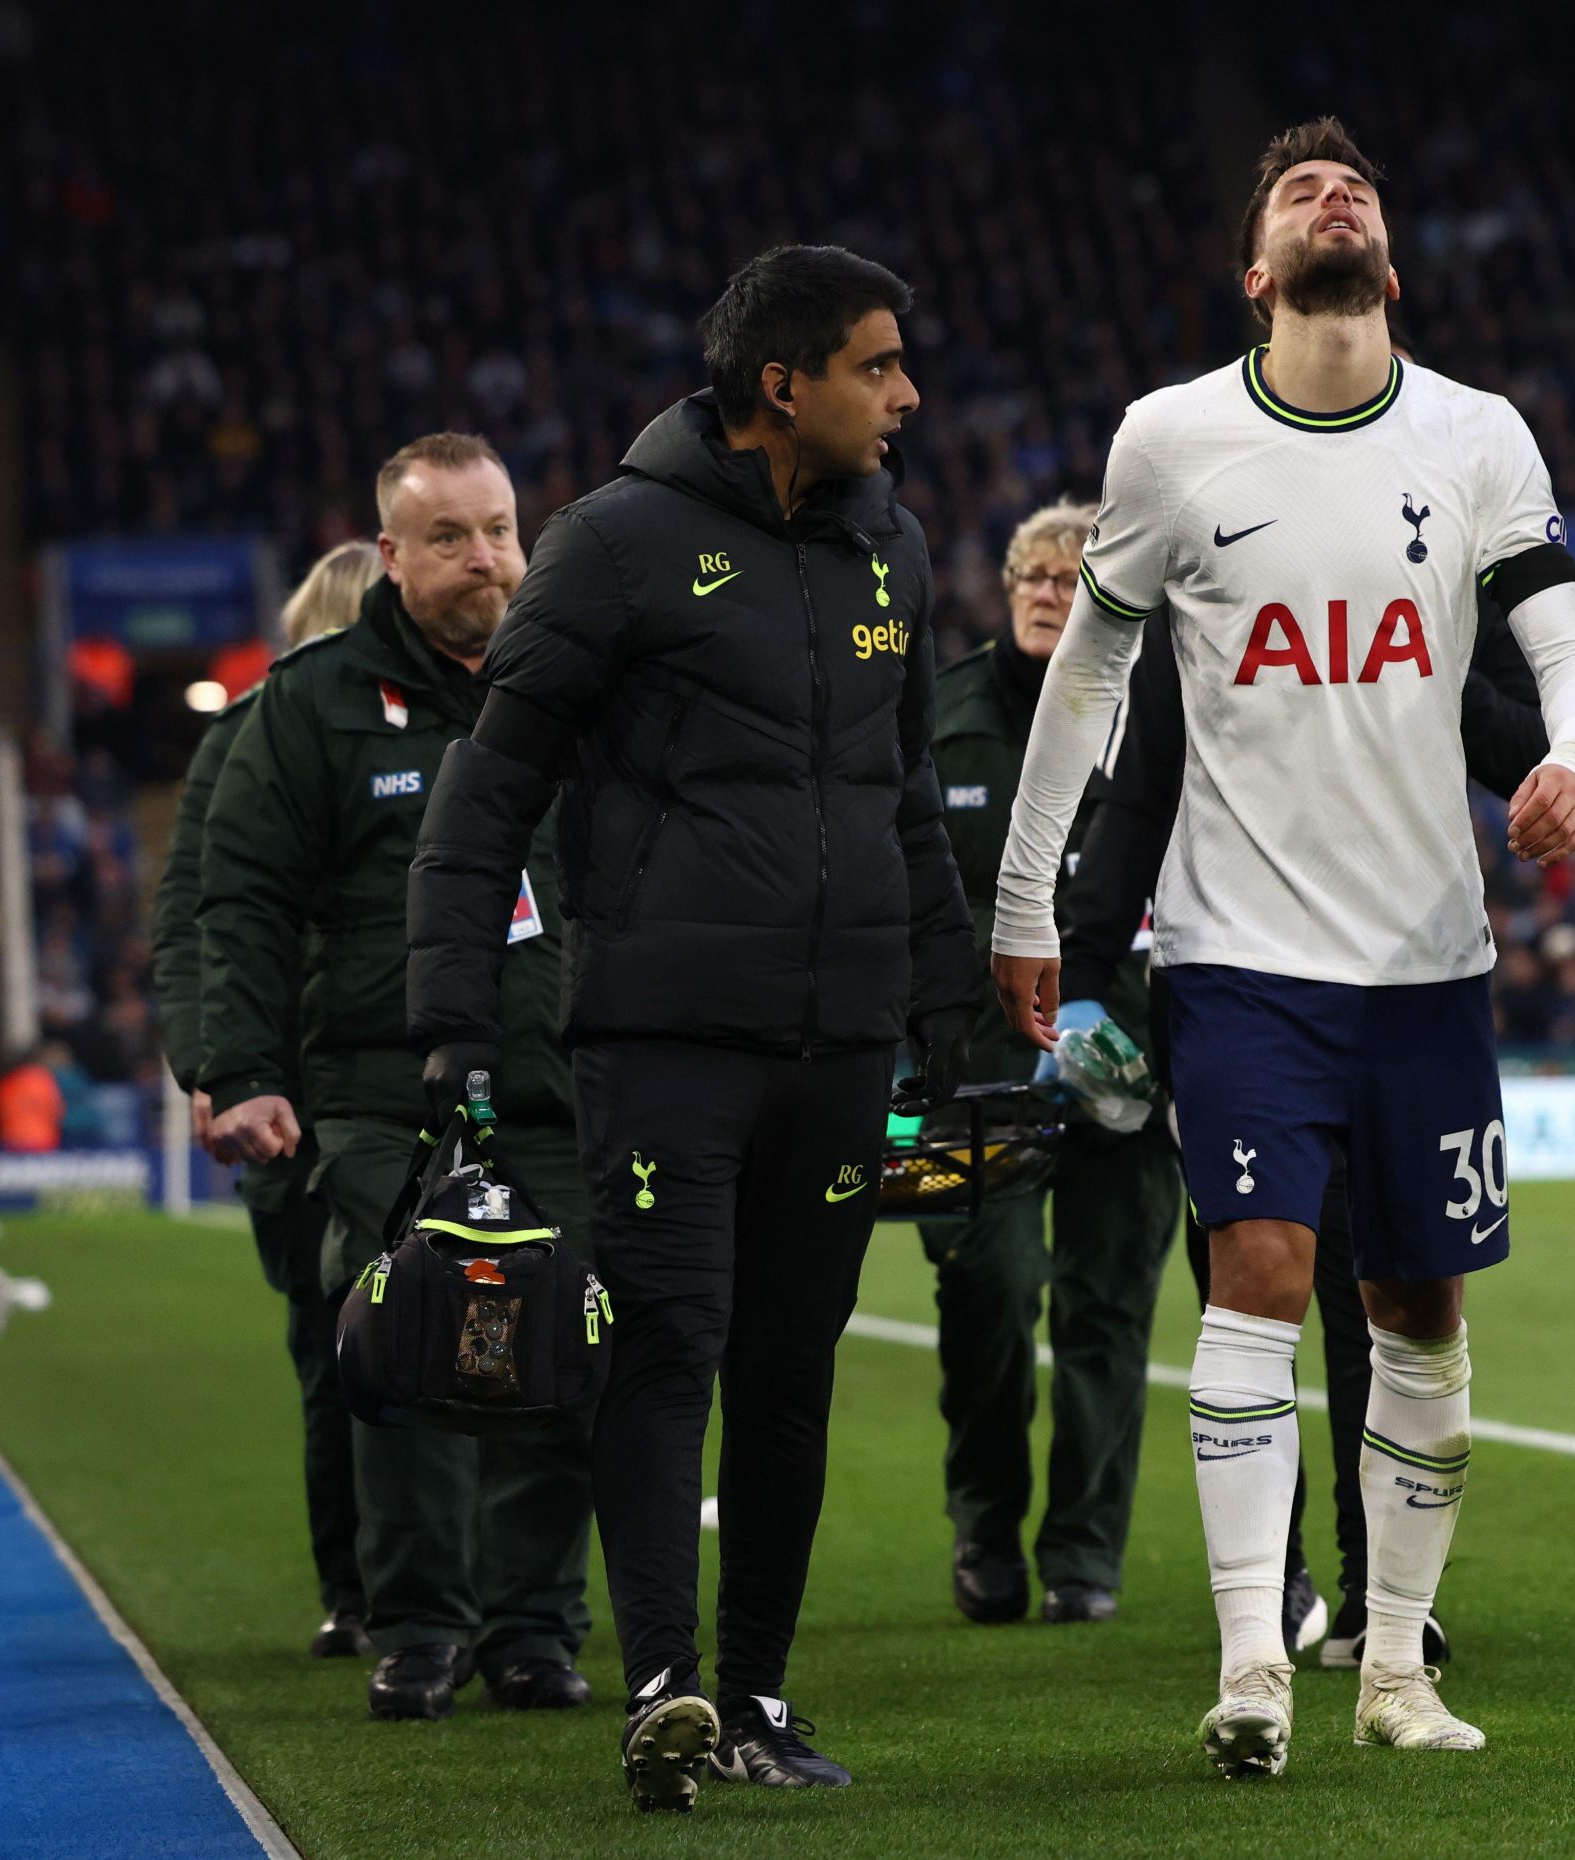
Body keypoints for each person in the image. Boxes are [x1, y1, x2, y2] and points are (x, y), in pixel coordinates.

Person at [991, 119, 1575, 1777]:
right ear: (1258, 271)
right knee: (1258, 1276)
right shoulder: (1171, 441)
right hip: (1240, 954)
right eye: (1298, 194)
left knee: (1421, 1322)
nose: (1332, 200)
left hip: (1429, 961)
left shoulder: (1479, 437)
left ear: (1390, 264)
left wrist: (1571, 753)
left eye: (1356, 190)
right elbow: (1088, 689)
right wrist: (1026, 901)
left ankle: (1396, 1668)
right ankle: (1252, 1657)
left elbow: (1568, 642)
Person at [404, 245, 974, 1812]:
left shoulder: (897, 555)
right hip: (663, 1038)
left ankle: (764, 1699)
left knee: (792, 1377)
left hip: (846, 1042)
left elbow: (907, 803)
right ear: (780, 384)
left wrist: (948, 1003)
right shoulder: (612, 548)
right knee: (668, 1350)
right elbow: (486, 796)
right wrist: (452, 1019)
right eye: (877, 365)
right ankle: (665, 1686)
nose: (907, 395)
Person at [1061, 558, 1552, 1671]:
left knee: (1384, 1302)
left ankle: (1385, 1603)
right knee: (1257, 1286)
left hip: (1401, 1000)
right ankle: (1269, 1600)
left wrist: (1562, 751)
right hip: (1241, 998)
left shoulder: (1413, 609)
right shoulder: (1211, 608)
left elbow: (1515, 742)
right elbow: (1139, 789)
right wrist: (1089, 961)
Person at [198, 438, 594, 1723]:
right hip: (380, 1089)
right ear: (391, 554)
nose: (485, 558)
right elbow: (240, 901)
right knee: (407, 1343)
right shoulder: (310, 703)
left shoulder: (583, 678)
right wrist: (242, 1071)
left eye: (498, 530)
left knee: (562, 1352)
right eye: (450, 538)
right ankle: (421, 1625)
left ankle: (535, 1630)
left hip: (563, 1081)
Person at [921, 500, 1183, 1629]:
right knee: (990, 1287)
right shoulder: (941, 717)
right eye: (1030, 571)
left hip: (1136, 1067)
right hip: (979, 1072)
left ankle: (1083, 1553)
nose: (1044, 590)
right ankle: (986, 1528)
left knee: (1106, 1310)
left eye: (1071, 579)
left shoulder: (1169, 716)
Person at [153, 536, 381, 1662]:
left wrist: (217, 1066)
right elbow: (205, 920)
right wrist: (220, 1066)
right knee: (384, 1343)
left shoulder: (242, 731)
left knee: (330, 1350)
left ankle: (364, 1591)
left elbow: (187, 923)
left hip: (299, 1081)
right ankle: (432, 1592)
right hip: (303, 1081)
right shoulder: (262, 733)